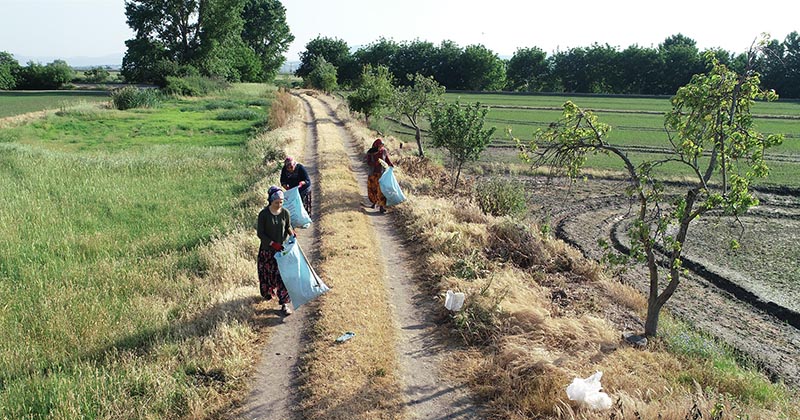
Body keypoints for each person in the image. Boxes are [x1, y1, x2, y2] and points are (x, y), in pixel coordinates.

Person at [257, 186, 296, 316]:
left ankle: (284, 304)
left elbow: (288, 225)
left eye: (281, 202)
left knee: (282, 277)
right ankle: (268, 292)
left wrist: (292, 234)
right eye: (276, 202)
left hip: (281, 251)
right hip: (267, 251)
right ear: (270, 201)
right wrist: (272, 244)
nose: (279, 204)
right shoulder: (263, 215)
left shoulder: (285, 213)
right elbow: (260, 234)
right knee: (267, 275)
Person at [365, 138, 393, 213]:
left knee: (381, 190)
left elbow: (386, 159)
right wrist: (375, 164)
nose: (381, 147)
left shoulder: (383, 151)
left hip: (381, 173)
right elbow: (368, 163)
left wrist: (390, 164)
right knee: (373, 189)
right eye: (380, 145)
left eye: (382, 145)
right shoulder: (370, 152)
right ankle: (374, 203)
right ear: (376, 145)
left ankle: (381, 206)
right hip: (373, 174)